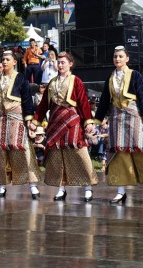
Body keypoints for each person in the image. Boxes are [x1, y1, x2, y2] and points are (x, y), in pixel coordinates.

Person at [93, 46, 143, 206]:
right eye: (115, 56)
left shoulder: (135, 75)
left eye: (120, 56)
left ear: (127, 59)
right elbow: (104, 101)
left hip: (134, 117)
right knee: (119, 154)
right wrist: (96, 122)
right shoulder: (110, 78)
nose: (117, 59)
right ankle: (121, 192)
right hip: (116, 119)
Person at [31, 51, 98, 202]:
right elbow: (43, 106)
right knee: (57, 154)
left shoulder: (76, 81)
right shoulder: (52, 83)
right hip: (55, 121)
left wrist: (88, 121)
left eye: (63, 63)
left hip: (72, 120)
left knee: (78, 150)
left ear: (70, 64)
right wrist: (35, 122)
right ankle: (61, 188)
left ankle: (87, 187)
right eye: (58, 63)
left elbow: (83, 103)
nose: (60, 65)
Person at [0, 50, 41, 199]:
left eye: (8, 59)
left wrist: (29, 120)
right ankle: (1, 186)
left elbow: (27, 100)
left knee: (23, 150)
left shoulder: (20, 78)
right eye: (3, 59)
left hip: (16, 118)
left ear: (15, 62)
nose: (4, 62)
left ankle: (33, 185)